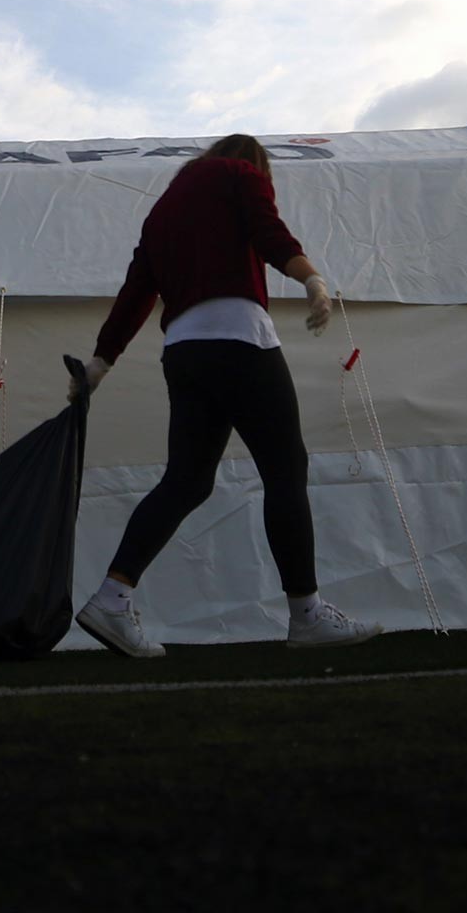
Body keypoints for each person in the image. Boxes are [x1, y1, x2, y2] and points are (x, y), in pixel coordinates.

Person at [68, 134, 381, 658]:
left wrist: (100, 364)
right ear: (254, 164)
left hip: (185, 353)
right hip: (239, 338)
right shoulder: (240, 175)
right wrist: (313, 280)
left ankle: (112, 598)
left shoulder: (163, 210)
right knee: (285, 469)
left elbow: (137, 291)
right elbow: (269, 232)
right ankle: (306, 615)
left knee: (186, 481)